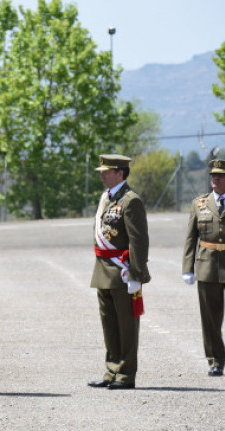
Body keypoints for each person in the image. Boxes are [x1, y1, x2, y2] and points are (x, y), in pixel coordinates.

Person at [183, 159, 225, 377]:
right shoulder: (199, 203)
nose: (216, 178)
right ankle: (215, 360)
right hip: (207, 266)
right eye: (213, 175)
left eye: (221, 175)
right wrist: (188, 267)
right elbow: (191, 237)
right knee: (210, 317)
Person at [88, 154, 150, 390]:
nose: (102, 175)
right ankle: (111, 370)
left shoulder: (130, 200)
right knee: (110, 325)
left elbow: (139, 240)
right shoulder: (106, 197)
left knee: (126, 326)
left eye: (106, 171)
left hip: (123, 272)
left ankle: (125, 374)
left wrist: (136, 274)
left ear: (120, 173)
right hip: (103, 271)